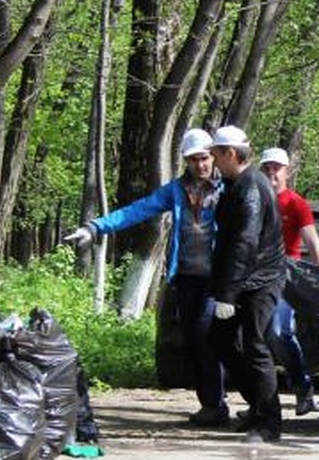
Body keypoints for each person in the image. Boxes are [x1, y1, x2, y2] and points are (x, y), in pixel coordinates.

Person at [65, 128, 227, 427]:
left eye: (204, 158)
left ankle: (219, 404)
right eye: (192, 160)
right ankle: (212, 403)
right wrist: (95, 227)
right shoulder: (177, 191)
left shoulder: (227, 188)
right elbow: (138, 210)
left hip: (217, 280)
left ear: (213, 157)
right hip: (186, 278)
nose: (199, 165)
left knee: (207, 339)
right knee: (191, 341)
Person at [206, 125, 287, 443]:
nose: (212, 160)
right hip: (243, 279)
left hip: (261, 279)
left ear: (229, 153)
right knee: (220, 339)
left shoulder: (251, 186)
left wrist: (227, 294)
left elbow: (245, 242)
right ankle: (257, 405)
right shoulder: (234, 184)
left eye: (215, 154)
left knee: (255, 344)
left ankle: (269, 423)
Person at [258, 146, 319, 417]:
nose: (272, 173)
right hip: (255, 273)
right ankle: (261, 403)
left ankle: (303, 388)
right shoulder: (254, 199)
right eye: (266, 168)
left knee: (279, 332)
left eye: (276, 168)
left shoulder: (296, 203)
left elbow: (313, 243)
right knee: (255, 337)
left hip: (286, 274)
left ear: (287, 172)